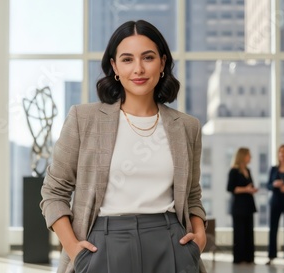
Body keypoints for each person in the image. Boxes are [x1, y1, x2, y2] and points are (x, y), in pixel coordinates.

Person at [40, 20, 207, 273]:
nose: (138, 69)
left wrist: (200, 236)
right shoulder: (83, 119)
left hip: (171, 243)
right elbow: (54, 192)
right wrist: (74, 249)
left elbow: (192, 194)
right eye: (127, 59)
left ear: (162, 63)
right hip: (103, 245)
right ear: (114, 67)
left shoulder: (186, 126)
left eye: (147, 58)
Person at [226, 147, 258, 264]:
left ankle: (249, 258)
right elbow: (230, 188)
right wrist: (246, 189)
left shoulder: (248, 171)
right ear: (242, 156)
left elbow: (250, 185)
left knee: (249, 232)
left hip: (248, 205)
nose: (250, 157)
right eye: (249, 155)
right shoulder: (233, 171)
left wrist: (252, 189)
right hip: (238, 207)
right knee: (239, 233)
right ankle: (239, 258)